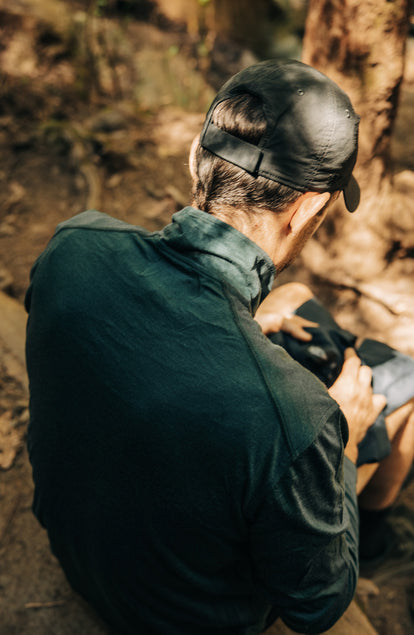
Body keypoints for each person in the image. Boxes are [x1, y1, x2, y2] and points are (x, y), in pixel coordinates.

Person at [24, 59, 414, 635]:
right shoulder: (297, 417)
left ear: (194, 157)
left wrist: (249, 325)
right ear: (309, 209)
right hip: (186, 619)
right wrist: (347, 444)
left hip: (83, 559)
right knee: (398, 390)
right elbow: (316, 607)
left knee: (299, 298)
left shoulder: (74, 245)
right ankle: (375, 537)